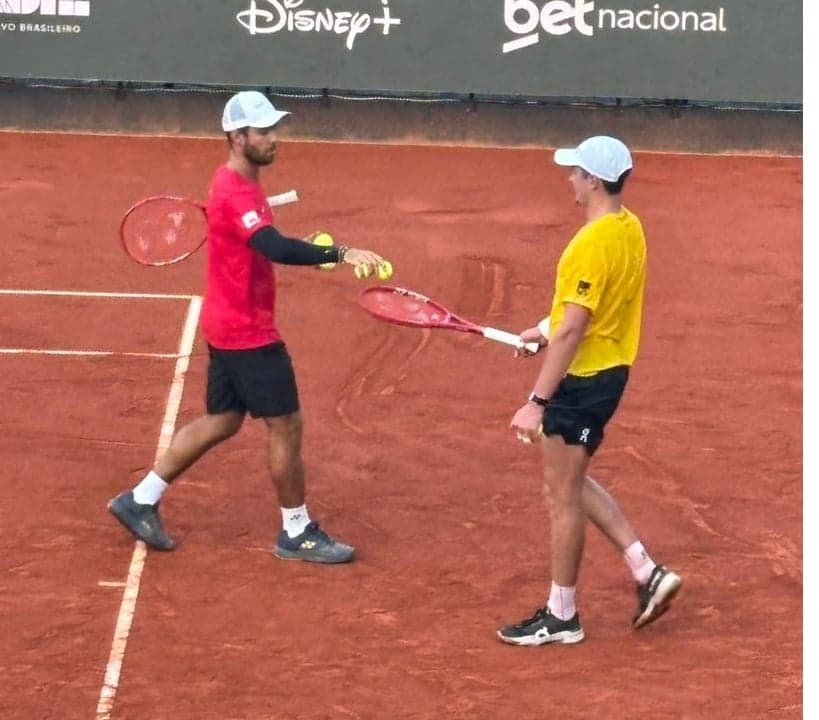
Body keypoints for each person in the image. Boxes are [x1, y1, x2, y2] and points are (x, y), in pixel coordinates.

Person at [108, 91, 384, 564]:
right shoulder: (236, 192)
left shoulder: (236, 183)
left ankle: (141, 498)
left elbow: (260, 240)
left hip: (225, 323)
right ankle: (296, 531)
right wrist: (340, 252)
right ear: (237, 137)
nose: (274, 138)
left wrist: (298, 244)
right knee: (286, 424)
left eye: (275, 128)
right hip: (247, 333)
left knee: (223, 419)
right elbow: (274, 247)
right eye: (264, 131)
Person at [498, 136, 682, 645]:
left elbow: (575, 328)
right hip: (611, 371)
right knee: (570, 480)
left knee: (560, 494)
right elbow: (591, 306)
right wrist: (544, 328)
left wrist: (536, 403)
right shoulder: (629, 228)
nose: (570, 179)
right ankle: (646, 570)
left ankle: (562, 615)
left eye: (576, 172)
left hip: (582, 381)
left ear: (594, 181)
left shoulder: (588, 244)